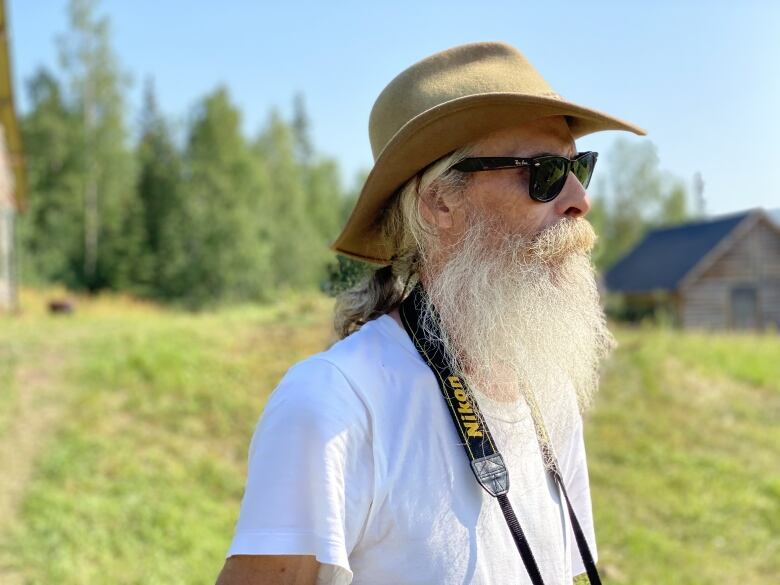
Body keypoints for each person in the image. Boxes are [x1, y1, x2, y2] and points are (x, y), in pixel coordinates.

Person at [215, 41, 645, 585]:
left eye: (579, 167)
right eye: (545, 172)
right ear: (440, 201)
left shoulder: (549, 393)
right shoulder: (335, 404)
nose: (580, 199)